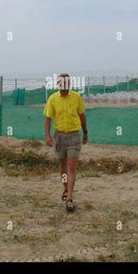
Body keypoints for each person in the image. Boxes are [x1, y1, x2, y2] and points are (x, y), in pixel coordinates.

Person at [43, 73, 88, 212]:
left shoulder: (76, 97)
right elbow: (48, 119)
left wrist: (85, 132)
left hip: (74, 136)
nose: (64, 86)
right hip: (59, 137)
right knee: (62, 165)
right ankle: (65, 188)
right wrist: (47, 136)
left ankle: (69, 198)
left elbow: (82, 116)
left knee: (72, 166)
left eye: (66, 83)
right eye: (62, 84)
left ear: (69, 84)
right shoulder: (53, 99)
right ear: (58, 84)